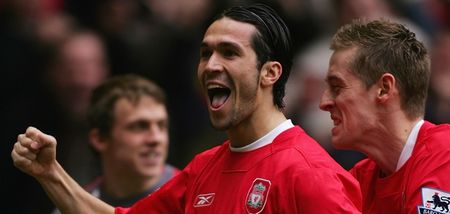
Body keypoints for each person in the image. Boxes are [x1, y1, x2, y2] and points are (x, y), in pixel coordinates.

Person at [11, 4, 362, 213]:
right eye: (206, 53)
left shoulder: (309, 173)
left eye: (229, 52)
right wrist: (49, 173)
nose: (210, 64)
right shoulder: (203, 169)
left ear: (269, 73)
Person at [319, 18, 450, 214]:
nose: (323, 103)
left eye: (337, 87)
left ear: (383, 89)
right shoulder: (359, 179)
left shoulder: (444, 156)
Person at [51, 74, 180, 213]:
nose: (156, 139)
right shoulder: (71, 208)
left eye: (162, 126)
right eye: (139, 126)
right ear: (100, 139)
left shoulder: (193, 195)